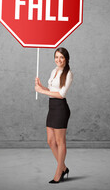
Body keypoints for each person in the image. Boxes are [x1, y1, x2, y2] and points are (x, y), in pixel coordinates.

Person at [35, 47, 73, 184]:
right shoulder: (53, 71)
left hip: (61, 109)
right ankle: (63, 167)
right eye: (56, 57)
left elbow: (61, 94)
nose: (58, 60)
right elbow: (52, 90)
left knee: (60, 142)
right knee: (50, 141)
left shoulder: (68, 74)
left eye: (61, 57)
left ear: (66, 59)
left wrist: (42, 92)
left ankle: (59, 172)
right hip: (52, 108)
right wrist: (41, 87)